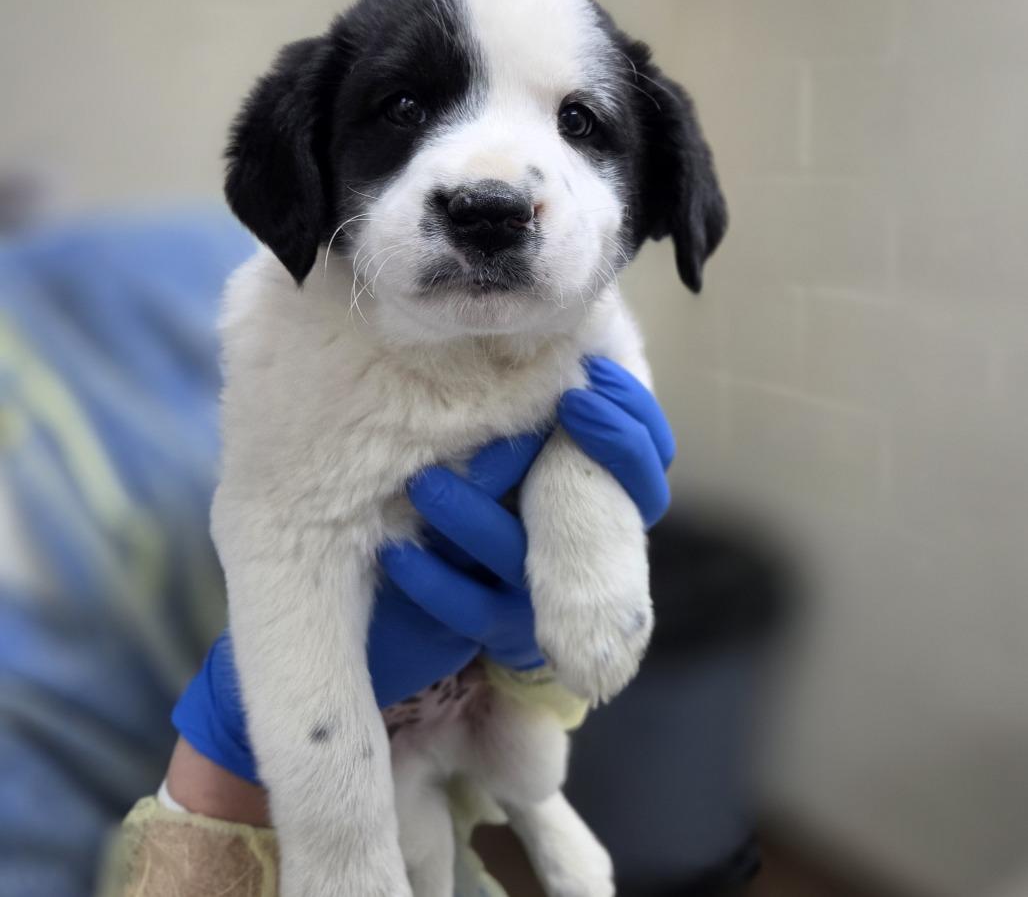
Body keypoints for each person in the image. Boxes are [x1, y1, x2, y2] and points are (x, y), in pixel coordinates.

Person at [0, 210, 675, 897]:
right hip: (289, 793)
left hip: (447, 732)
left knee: (509, 771)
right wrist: (223, 769)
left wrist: (533, 654)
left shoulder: (165, 267)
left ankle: (532, 804)